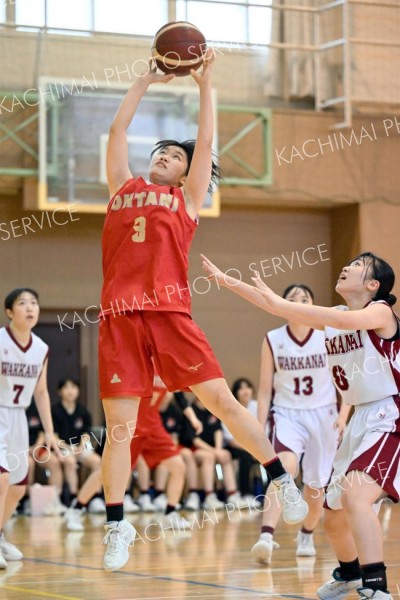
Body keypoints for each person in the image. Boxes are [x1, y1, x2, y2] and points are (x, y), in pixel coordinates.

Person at [98, 49, 308, 572]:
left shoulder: (186, 201)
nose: (165, 155)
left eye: (175, 154)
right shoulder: (123, 188)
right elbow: (117, 134)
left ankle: (280, 478)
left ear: (190, 171)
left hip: (170, 314)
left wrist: (205, 84)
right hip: (119, 317)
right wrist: (144, 80)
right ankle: (116, 525)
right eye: (162, 151)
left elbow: (206, 141)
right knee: (118, 428)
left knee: (222, 403)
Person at [201, 251, 399, 600]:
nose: (347, 265)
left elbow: (312, 315)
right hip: (359, 422)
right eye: (347, 261)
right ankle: (350, 574)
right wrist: (227, 281)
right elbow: (277, 309)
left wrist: (282, 304)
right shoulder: (335, 316)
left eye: (357, 265)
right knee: (332, 518)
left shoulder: (380, 311)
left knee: (355, 496)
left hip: (389, 414)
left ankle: (376, 587)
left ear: (372, 284)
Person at [250, 285, 350, 565]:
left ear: (313, 304)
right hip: (287, 414)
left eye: (304, 298)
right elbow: (264, 389)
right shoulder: (273, 339)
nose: (298, 301)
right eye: (292, 298)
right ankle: (266, 537)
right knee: (284, 468)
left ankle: (306, 533)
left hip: (324, 416)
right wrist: (259, 426)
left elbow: (347, 383)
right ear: (283, 304)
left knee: (316, 487)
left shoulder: (327, 334)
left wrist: (343, 418)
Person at [0, 288, 60, 569]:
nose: (30, 308)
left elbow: (42, 392)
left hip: (19, 417)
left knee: (17, 487)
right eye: (22, 303)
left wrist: (49, 431)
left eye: (34, 303)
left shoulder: (41, 348)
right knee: (1, 480)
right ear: (10, 312)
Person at [52, 378, 104, 511]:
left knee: (97, 462)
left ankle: (94, 497)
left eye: (73, 387)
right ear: (60, 391)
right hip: (63, 447)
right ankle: (74, 497)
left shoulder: (83, 411)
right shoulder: (55, 411)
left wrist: (81, 446)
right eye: (66, 387)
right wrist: (69, 448)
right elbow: (54, 437)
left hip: (80, 447)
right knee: (69, 461)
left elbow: (87, 432)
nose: (70, 391)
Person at [223, 378, 261, 505]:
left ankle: (272, 495)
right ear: (235, 393)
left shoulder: (257, 407)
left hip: (256, 447)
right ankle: (246, 495)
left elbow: (264, 432)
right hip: (236, 447)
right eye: (241, 388)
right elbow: (229, 439)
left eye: (248, 387)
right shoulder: (229, 409)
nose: (245, 391)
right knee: (245, 457)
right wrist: (251, 451)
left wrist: (258, 450)